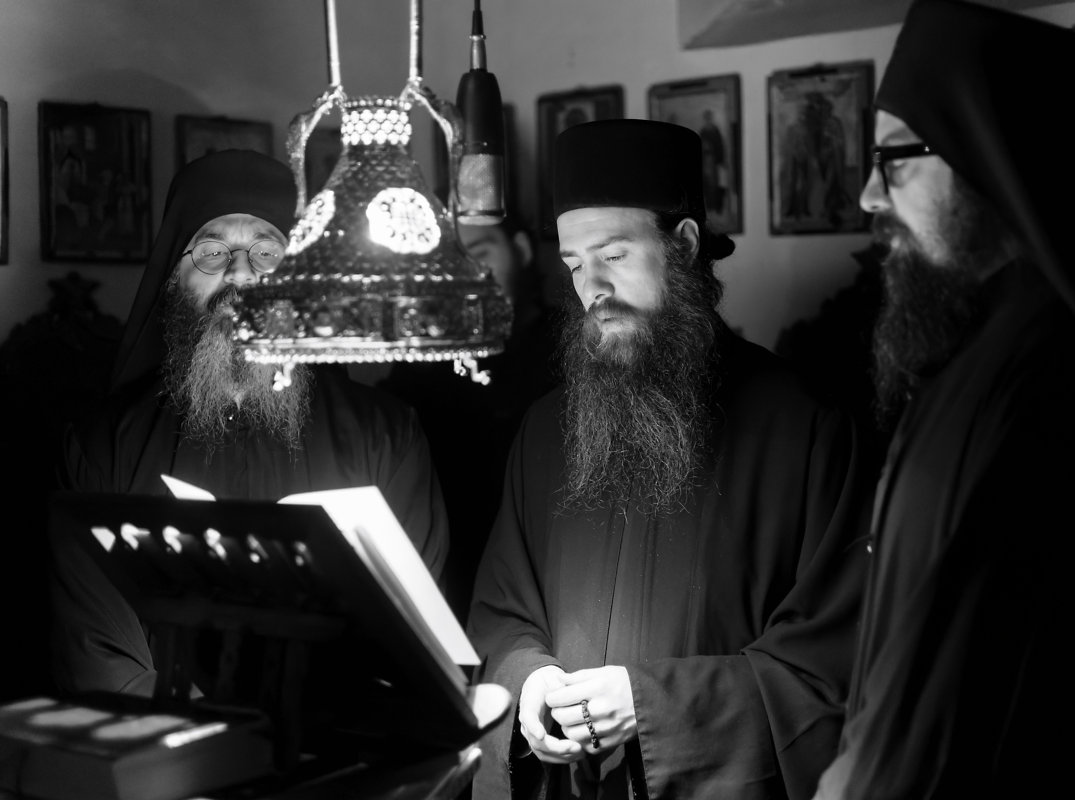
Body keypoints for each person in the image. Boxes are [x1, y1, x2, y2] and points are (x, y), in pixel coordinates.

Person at [814, 1, 1075, 797]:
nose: (868, 197)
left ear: (991, 154)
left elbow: (965, 704)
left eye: (894, 159)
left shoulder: (1068, 374)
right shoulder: (980, 336)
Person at [468, 119, 873, 800]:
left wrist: (651, 705)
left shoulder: (807, 428)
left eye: (613, 254)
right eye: (574, 264)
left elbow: (834, 662)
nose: (592, 287)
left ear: (682, 246)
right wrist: (528, 685)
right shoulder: (544, 430)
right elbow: (500, 612)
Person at [50, 150, 449, 699]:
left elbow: (415, 637)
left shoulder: (386, 437)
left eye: (267, 252)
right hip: (169, 745)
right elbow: (101, 651)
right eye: (212, 252)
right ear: (172, 277)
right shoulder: (102, 446)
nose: (240, 274)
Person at [378, 215, 556, 620]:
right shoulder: (422, 366)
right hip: (449, 595)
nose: (466, 279)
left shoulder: (570, 349)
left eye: (480, 255)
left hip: (547, 594)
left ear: (521, 249)